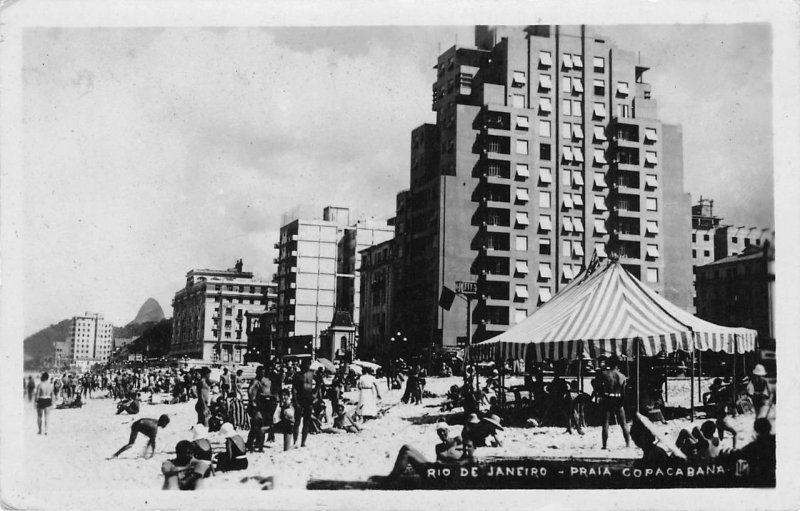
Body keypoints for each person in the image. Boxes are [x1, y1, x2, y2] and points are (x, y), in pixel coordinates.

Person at [373, 437, 476, 486]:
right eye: (465, 446)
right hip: (433, 468)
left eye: (469, 447)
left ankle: (390, 479)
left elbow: (456, 468)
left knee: (406, 454)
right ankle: (393, 476)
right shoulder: (463, 454)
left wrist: (443, 463)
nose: (466, 448)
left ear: (474, 448)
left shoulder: (470, 459)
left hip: (433, 474)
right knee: (406, 447)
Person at [594, 358, 631, 449]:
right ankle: (627, 444)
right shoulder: (622, 376)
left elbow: (597, 385)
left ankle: (604, 445)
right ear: (617, 366)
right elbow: (624, 392)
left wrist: (601, 395)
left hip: (607, 398)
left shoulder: (605, 374)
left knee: (605, 423)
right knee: (623, 423)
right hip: (618, 399)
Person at [291, 359, 315, 448]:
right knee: (297, 421)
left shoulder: (312, 374)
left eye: (308, 365)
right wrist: (296, 402)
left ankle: (303, 442)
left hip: (309, 398)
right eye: (305, 365)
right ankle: (295, 441)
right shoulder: (297, 375)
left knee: (307, 422)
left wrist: (315, 394)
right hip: (300, 399)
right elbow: (294, 390)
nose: (307, 367)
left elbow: (319, 383)